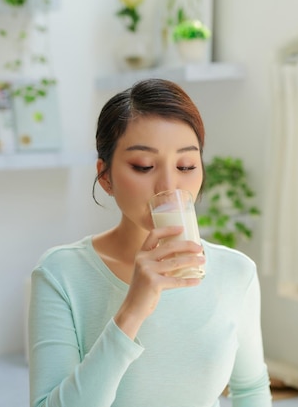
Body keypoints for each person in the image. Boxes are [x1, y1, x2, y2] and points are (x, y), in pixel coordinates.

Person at [28, 78, 272, 407]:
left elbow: (251, 390)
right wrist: (132, 310)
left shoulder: (236, 272)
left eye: (186, 166)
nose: (169, 185)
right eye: (144, 166)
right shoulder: (61, 274)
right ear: (105, 177)